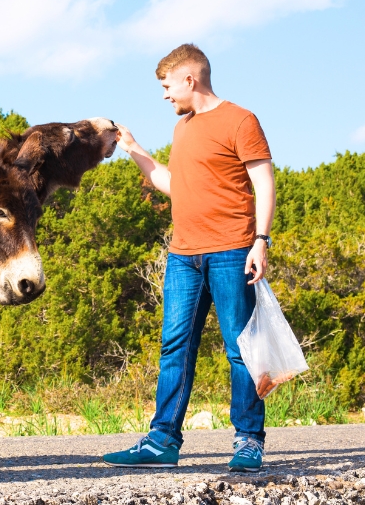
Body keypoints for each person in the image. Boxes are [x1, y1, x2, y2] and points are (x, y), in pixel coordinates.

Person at [103, 44, 275, 472]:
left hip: (232, 249)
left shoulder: (240, 119)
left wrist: (261, 240)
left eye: (166, 86)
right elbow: (174, 183)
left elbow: (264, 181)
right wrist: (134, 148)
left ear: (189, 79)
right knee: (175, 346)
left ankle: (248, 441)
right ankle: (162, 441)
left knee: (241, 349)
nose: (165, 95)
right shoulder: (183, 129)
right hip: (184, 256)